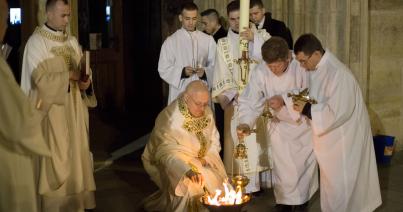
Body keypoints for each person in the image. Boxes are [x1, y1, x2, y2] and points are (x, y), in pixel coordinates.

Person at [20, 0, 97, 211]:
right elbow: (38, 82)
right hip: (51, 113)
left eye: (68, 15)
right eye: (63, 15)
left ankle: (77, 204)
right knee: (56, 160)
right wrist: (69, 76)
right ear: (48, 14)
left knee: (77, 159)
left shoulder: (72, 42)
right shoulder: (36, 43)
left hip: (74, 110)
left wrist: (85, 82)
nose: (67, 20)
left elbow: (82, 74)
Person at [293, 33, 382, 212]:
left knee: (344, 189)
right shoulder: (318, 68)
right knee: (333, 189)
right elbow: (321, 98)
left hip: (344, 142)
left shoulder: (338, 73)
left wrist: (307, 109)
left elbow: (339, 112)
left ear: (316, 54)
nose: (302, 66)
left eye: (304, 61)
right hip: (331, 142)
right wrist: (304, 99)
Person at [236, 37, 318, 211]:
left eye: (277, 66)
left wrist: (284, 99)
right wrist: (245, 123)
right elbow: (250, 100)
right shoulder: (261, 70)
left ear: (287, 58)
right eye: (270, 66)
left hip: (302, 126)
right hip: (279, 126)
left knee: (302, 169)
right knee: (283, 169)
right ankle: (284, 203)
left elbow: (310, 94)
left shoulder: (300, 67)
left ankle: (302, 203)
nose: (273, 70)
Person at [0, 0, 55, 211]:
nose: (6, 26)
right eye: (4, 20)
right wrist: (38, 109)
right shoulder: (34, 43)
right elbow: (16, 122)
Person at [212, 0, 271, 194]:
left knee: (259, 142)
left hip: (260, 99)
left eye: (240, 18)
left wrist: (254, 40)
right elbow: (221, 72)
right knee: (242, 140)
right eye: (232, 19)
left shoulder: (262, 35)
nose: (237, 23)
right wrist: (232, 93)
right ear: (227, 19)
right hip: (236, 100)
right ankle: (243, 183)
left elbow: (272, 61)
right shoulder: (222, 43)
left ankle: (261, 183)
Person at [142, 80, 227, 212]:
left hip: (204, 162)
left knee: (219, 186)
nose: (202, 109)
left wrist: (206, 159)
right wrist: (186, 170)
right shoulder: (171, 118)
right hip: (178, 167)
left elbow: (214, 142)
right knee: (191, 187)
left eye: (205, 104)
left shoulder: (207, 112)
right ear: (186, 98)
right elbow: (165, 154)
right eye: (198, 104)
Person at [158, 2, 216, 104]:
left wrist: (205, 73)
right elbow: (163, 68)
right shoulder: (171, 41)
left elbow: (216, 65)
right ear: (181, 18)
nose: (191, 23)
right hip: (180, 92)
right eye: (187, 19)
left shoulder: (208, 40)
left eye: (194, 19)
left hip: (202, 92)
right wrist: (182, 72)